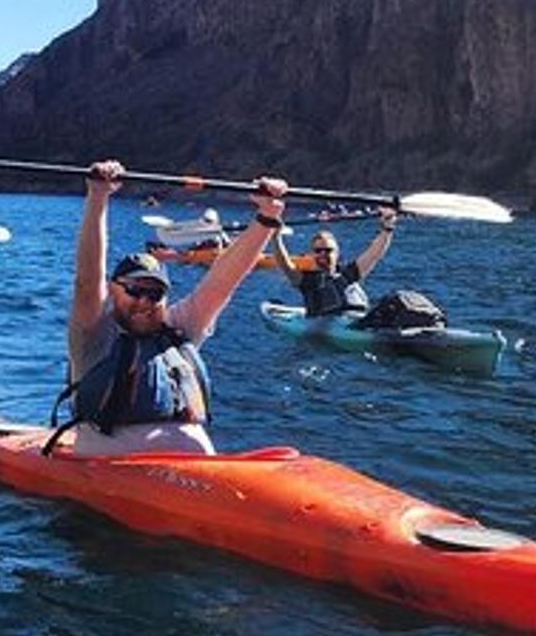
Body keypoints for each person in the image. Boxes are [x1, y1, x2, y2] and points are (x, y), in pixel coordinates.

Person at [52, 161, 288, 456]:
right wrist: (98, 196)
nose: (144, 302)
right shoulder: (94, 335)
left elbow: (223, 280)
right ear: (113, 290)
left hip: (191, 469)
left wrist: (267, 216)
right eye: (134, 290)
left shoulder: (180, 328)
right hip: (111, 469)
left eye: (155, 294)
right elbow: (87, 280)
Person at [270, 208, 397, 317]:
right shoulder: (306, 280)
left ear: (337, 253)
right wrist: (275, 237)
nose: (323, 254)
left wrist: (387, 228)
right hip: (324, 325)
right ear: (312, 253)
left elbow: (374, 254)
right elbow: (285, 265)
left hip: (356, 320)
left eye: (328, 250)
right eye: (318, 250)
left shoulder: (348, 274)